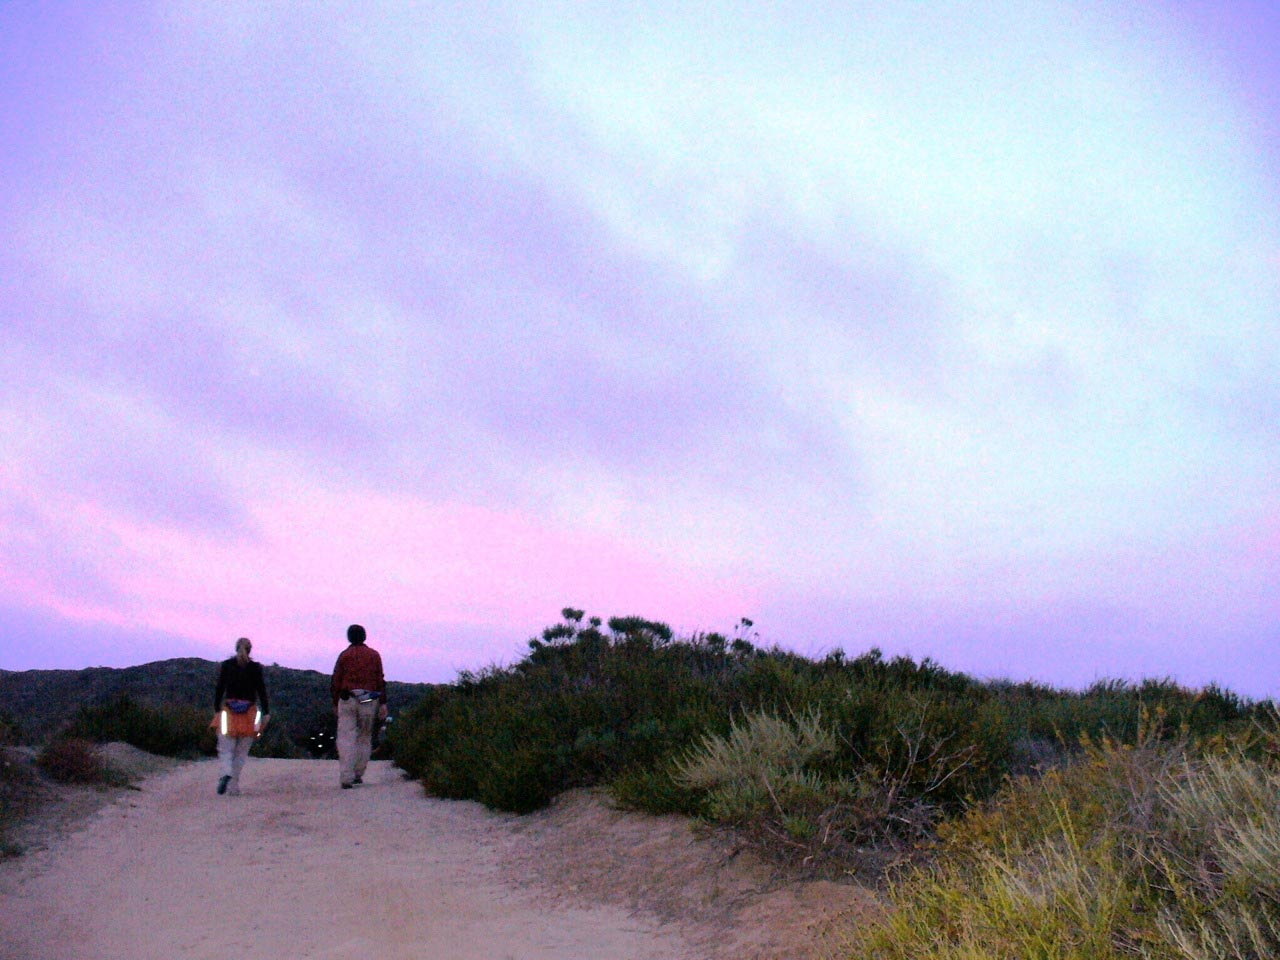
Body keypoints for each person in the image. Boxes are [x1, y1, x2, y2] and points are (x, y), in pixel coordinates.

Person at [330, 623, 387, 789]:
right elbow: (380, 680)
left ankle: (346, 776)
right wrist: (383, 702)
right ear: (364, 636)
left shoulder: (344, 655)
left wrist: (335, 702)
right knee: (364, 736)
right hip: (368, 698)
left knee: (346, 737)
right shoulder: (374, 655)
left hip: (347, 697)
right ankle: (358, 773)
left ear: (349, 637)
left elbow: (336, 680)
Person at [212, 637, 270, 796]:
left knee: (225, 750)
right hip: (249, 715)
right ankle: (234, 787)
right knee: (241, 753)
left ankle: (226, 772)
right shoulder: (256, 668)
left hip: (228, 713)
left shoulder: (227, 665)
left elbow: (219, 689)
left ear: (235, 648)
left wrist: (217, 709)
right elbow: (262, 691)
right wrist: (266, 712)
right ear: (250, 650)